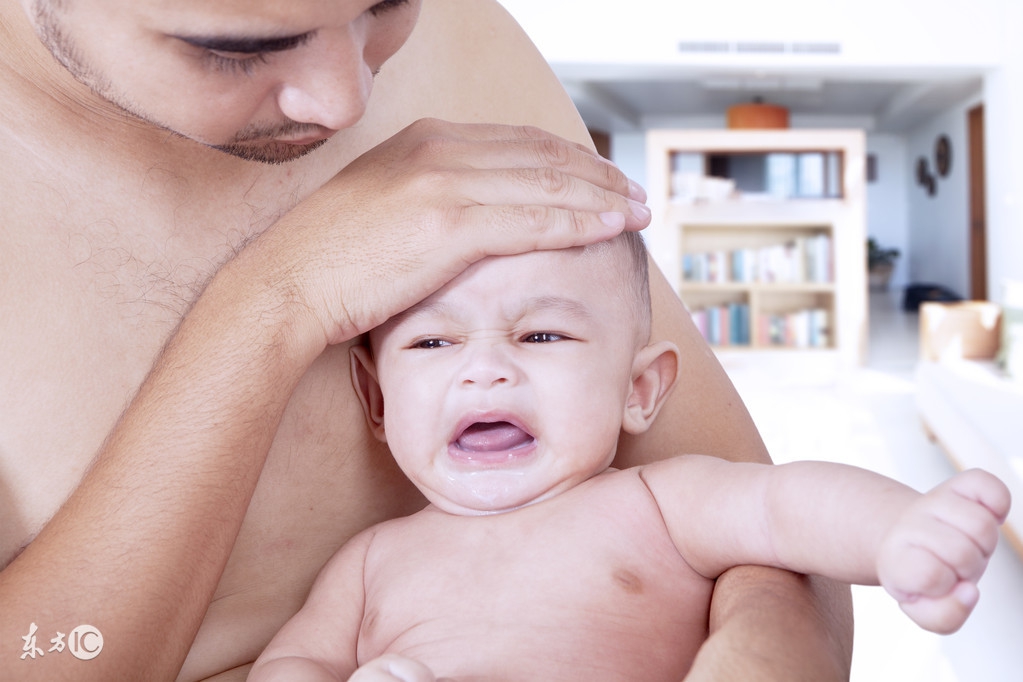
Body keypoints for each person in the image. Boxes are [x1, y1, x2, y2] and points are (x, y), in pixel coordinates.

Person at [0, 0, 852, 679]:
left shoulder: (465, 31)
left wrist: (766, 655)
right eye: (234, 46)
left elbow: (758, 528)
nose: (347, 102)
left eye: (387, 5)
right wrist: (275, 301)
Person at [250, 232, 1011, 682]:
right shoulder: (368, 560)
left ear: (639, 389)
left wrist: (896, 531)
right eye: (431, 343)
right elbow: (293, 665)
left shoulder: (652, 504)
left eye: (540, 336)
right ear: (378, 401)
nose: (482, 370)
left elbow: (785, 505)